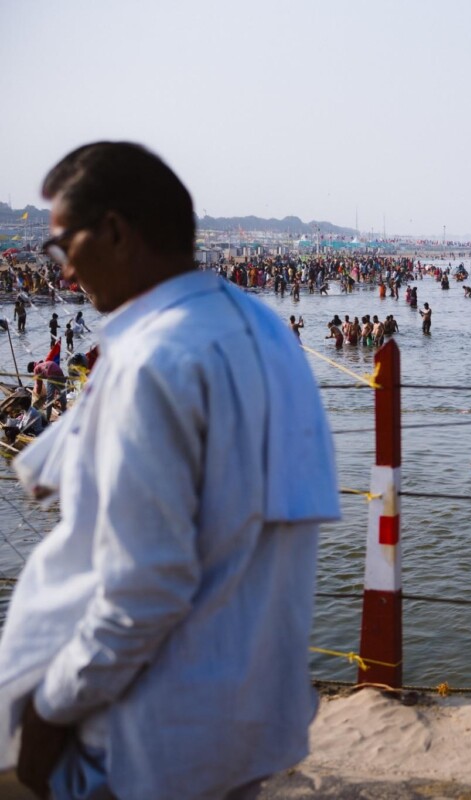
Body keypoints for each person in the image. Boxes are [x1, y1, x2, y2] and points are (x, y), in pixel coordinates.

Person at [0, 142, 340, 799]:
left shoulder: (153, 361)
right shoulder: (267, 335)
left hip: (136, 734)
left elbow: (145, 586)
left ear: (117, 232)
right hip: (242, 722)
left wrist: (50, 709)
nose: (64, 270)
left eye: (62, 244)